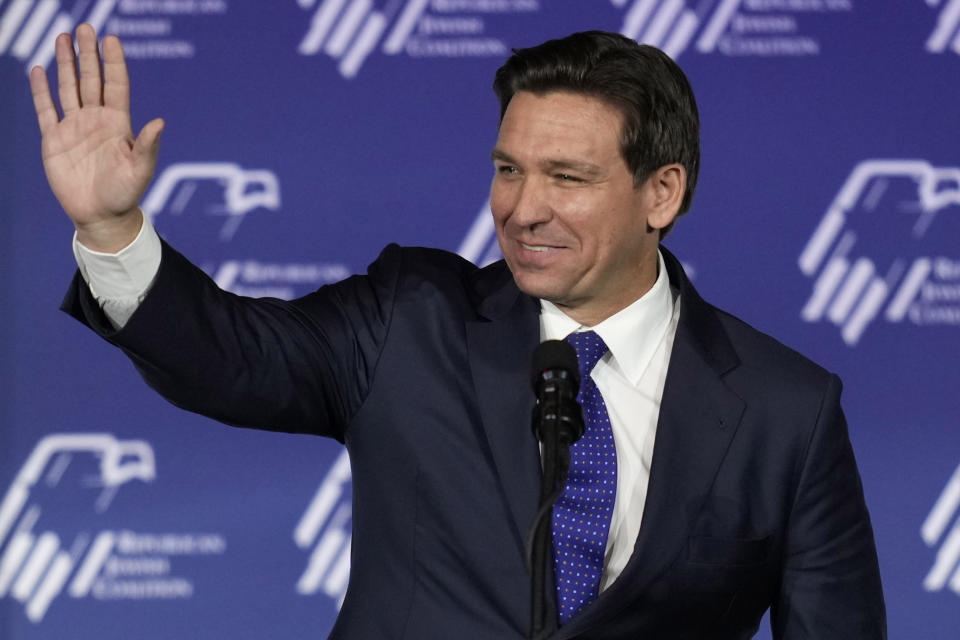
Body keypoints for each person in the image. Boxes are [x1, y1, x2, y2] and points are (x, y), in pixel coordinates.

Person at [32, 24, 885, 639]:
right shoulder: (412, 317)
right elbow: (229, 357)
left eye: (567, 176)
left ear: (661, 194)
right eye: (508, 170)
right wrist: (113, 229)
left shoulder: (787, 411)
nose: (522, 208)